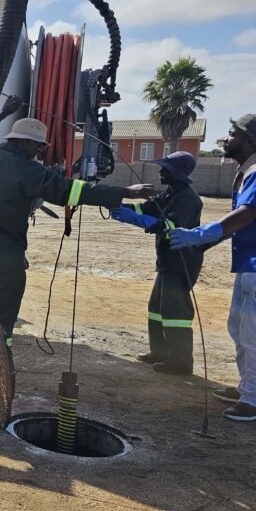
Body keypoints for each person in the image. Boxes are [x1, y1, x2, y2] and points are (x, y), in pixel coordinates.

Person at [0, 101, 155, 382]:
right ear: (25, 143)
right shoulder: (31, 173)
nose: (40, 151)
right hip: (6, 258)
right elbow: (74, 191)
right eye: (37, 146)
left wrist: (1, 112)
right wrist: (127, 192)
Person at [171, 113, 256, 422]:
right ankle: (249, 386)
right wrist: (205, 242)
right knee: (241, 326)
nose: (226, 138)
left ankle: (255, 399)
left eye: (233, 133)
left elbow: (247, 214)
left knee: (254, 330)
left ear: (249, 141)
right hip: (253, 261)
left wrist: (204, 234)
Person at [110, 151, 203, 375]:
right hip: (166, 261)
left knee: (175, 312)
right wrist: (120, 206)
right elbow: (148, 210)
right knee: (156, 308)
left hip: (180, 262)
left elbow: (170, 227)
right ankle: (160, 351)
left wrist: (136, 219)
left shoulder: (188, 199)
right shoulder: (171, 193)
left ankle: (181, 363)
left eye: (165, 169)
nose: (160, 172)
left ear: (175, 173)